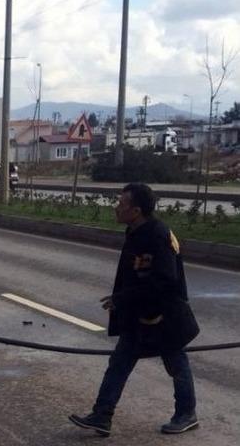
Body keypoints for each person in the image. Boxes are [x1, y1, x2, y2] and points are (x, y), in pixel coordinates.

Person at [69, 183, 200, 437]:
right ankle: (102, 415)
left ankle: (186, 414)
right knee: (119, 363)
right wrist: (123, 300)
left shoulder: (157, 235)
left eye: (121, 204)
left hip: (164, 316)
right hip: (139, 314)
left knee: (177, 364)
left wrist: (122, 299)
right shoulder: (135, 231)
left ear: (137, 210)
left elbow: (164, 280)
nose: (116, 208)